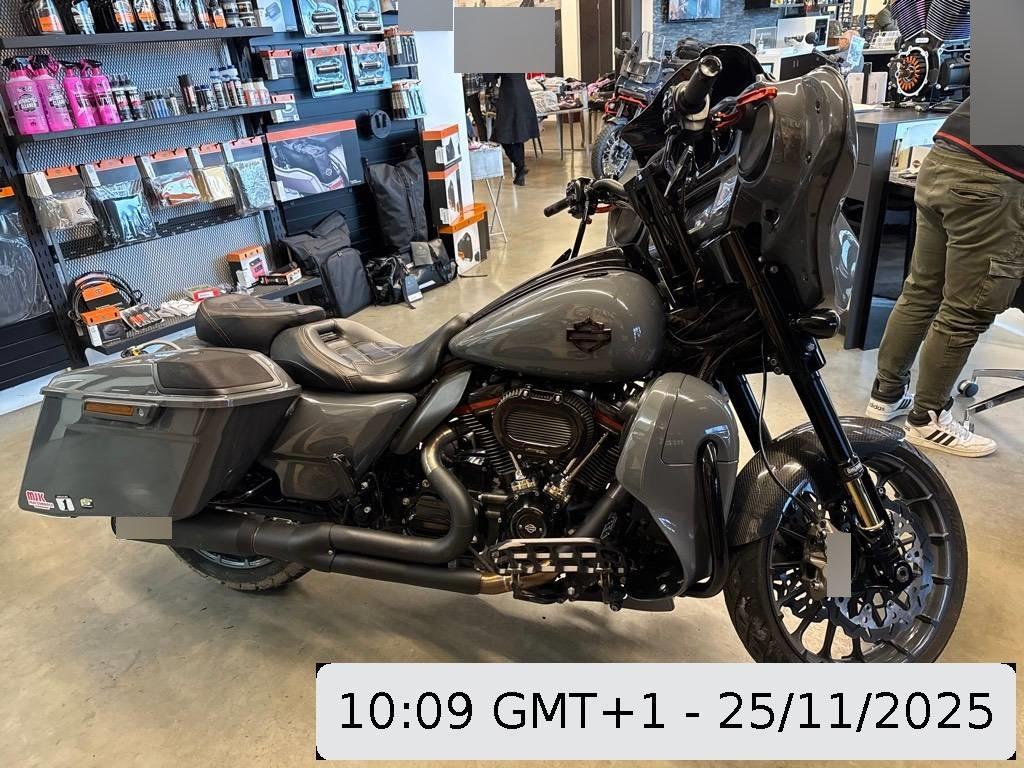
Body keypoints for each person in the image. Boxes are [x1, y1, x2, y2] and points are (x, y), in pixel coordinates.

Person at [866, 98, 1024, 457]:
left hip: (945, 157)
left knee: (921, 291)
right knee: (966, 310)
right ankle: (927, 420)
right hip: (994, 178)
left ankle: (886, 396)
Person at [484, 73, 539, 186]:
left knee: (502, 136)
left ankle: (520, 167)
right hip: (522, 95)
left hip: (510, 99)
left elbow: (488, 76)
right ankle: (520, 172)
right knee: (518, 136)